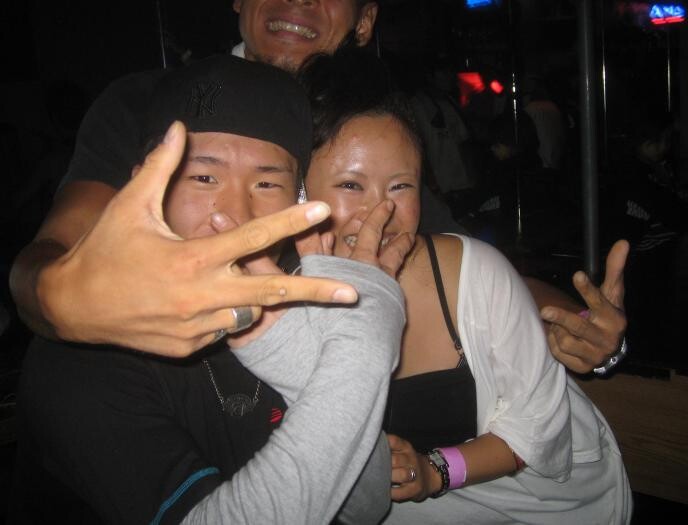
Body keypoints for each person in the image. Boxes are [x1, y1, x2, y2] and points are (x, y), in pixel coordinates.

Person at [8, 1, 625, 371]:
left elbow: (451, 257)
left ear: (365, 21)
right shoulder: (150, 105)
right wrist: (62, 297)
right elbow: (46, 261)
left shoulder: (361, 135)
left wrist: (570, 322)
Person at [12, 55, 409, 525]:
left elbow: (365, 504)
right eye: (204, 178)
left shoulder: (293, 300)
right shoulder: (82, 356)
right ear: (143, 187)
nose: (234, 213)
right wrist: (366, 338)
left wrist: (297, 352)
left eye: (267, 182)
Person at [299, 48, 632, 524]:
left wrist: (434, 470)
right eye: (351, 186)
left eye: (400, 186)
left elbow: (535, 431)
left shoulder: (473, 272)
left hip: (545, 506)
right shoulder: (285, 301)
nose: (381, 213)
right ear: (299, 191)